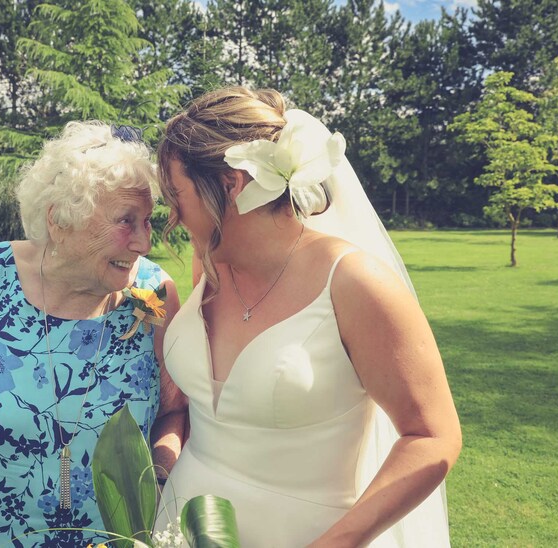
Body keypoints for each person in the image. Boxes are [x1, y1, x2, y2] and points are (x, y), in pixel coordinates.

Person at [153, 87, 462, 547]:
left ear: (228, 184)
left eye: (177, 194)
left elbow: (432, 436)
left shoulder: (354, 284)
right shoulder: (209, 266)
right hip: (183, 524)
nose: (172, 216)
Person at [0, 121, 184, 547]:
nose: (143, 243)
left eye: (148, 221)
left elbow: (175, 411)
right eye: (125, 221)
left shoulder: (153, 296)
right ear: (60, 220)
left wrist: (156, 476)